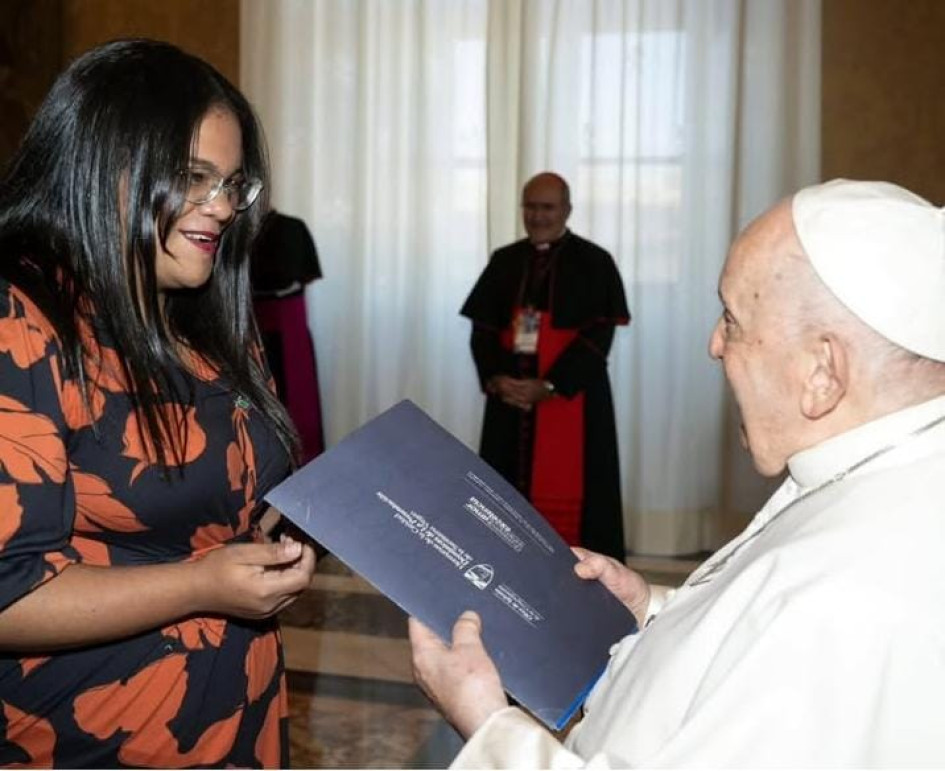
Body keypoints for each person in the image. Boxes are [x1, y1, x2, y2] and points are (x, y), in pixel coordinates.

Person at [410, 179, 945, 767]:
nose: (714, 344)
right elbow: (751, 628)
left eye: (732, 318)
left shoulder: (849, 601)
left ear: (823, 372)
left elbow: (791, 625)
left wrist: (487, 724)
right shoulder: (874, 467)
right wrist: (652, 610)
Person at [0, 40, 317, 768]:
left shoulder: (202, 314)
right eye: (193, 178)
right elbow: (9, 592)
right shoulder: (22, 317)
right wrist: (203, 583)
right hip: (94, 731)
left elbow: (218, 499)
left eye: (233, 183)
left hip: (235, 712)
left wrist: (273, 531)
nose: (223, 208)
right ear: (101, 163)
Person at [460, 172, 630, 560]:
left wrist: (551, 385)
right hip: (509, 403)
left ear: (567, 210)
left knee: (580, 504)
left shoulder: (595, 262)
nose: (538, 216)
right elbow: (482, 331)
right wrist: (498, 379)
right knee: (504, 499)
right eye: (531, 207)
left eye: (547, 207)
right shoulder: (504, 260)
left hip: (571, 402)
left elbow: (598, 337)